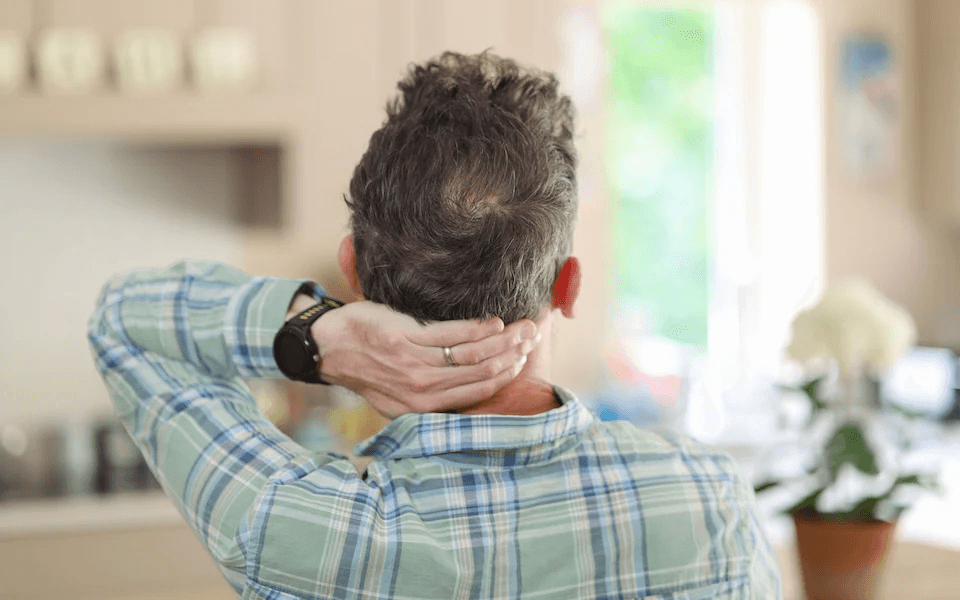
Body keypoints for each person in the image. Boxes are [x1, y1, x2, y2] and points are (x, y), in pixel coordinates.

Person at [89, 51, 782, 599]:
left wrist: (315, 336)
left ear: (350, 271)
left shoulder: (300, 528)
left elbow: (123, 319)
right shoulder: (705, 501)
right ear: (567, 286)